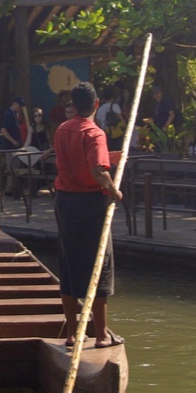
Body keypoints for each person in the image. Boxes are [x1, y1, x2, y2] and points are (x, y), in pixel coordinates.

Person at [51, 82, 120, 325]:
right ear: (96, 105)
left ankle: (71, 332)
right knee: (99, 262)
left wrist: (111, 158)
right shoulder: (94, 132)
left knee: (68, 262)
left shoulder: (62, 129)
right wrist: (114, 190)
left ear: (74, 105)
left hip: (65, 201)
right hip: (89, 203)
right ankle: (100, 334)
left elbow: (75, 159)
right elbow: (97, 171)